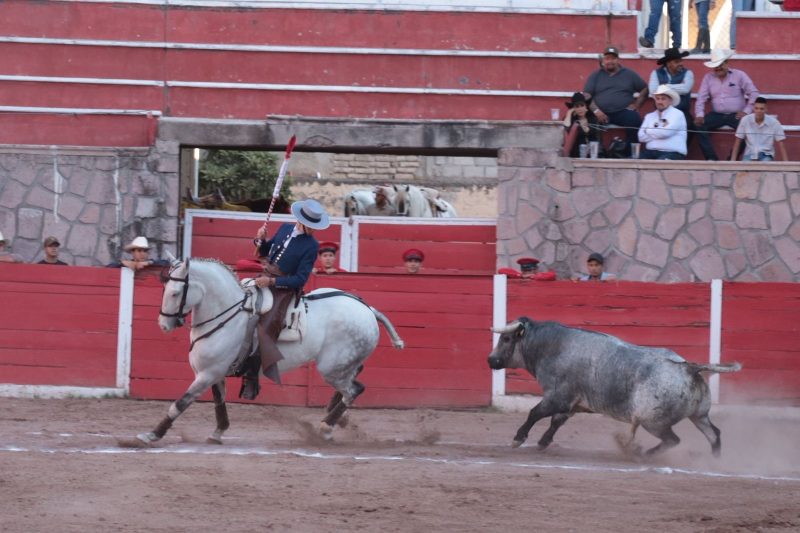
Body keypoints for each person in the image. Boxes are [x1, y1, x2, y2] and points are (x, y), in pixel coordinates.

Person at [239, 198, 330, 400]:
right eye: (311, 225)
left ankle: (252, 377)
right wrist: (260, 240)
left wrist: (271, 281)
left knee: (266, 326)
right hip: (264, 276)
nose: (313, 230)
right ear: (301, 221)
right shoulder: (284, 228)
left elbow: (300, 279)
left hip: (283, 288)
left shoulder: (311, 246)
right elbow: (265, 251)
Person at [694, 49, 759, 161]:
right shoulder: (708, 77)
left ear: (727, 63)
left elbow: (753, 93)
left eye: (720, 65)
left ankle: (731, 158)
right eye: (716, 66)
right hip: (716, 114)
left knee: (747, 128)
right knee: (698, 126)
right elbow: (701, 98)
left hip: (736, 115)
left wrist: (746, 111)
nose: (718, 68)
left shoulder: (739, 75)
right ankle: (711, 158)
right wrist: (699, 114)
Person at [583, 46, 648, 156]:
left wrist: (637, 105)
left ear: (618, 60)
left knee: (634, 118)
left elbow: (645, 89)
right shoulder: (596, 75)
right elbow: (586, 94)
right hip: (601, 113)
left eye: (613, 58)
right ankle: (597, 152)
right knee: (589, 121)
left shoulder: (629, 74)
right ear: (603, 60)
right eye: (607, 58)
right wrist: (596, 111)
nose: (610, 61)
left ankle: (629, 153)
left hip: (622, 112)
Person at [638, 85, 688, 160]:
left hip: (672, 153)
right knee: (630, 161)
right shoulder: (649, 116)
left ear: (670, 101)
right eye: (657, 99)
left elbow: (665, 133)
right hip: (650, 152)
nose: (659, 102)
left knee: (658, 165)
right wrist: (659, 131)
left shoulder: (678, 114)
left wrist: (647, 130)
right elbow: (641, 137)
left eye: (663, 99)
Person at [648, 48, 694, 129]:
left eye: (680, 61)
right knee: (654, 127)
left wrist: (665, 87)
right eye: (677, 62)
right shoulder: (655, 73)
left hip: (681, 111)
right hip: (661, 112)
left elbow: (685, 89)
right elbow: (653, 91)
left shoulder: (688, 73)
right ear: (668, 63)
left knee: (689, 125)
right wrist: (677, 87)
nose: (680, 63)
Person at [731, 97, 788, 161]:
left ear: (766, 109)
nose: (759, 111)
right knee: (743, 170)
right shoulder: (745, 120)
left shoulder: (774, 122)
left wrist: (786, 163)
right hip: (749, 154)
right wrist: (732, 161)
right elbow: (738, 141)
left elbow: (781, 143)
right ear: (753, 108)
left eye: (761, 109)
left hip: (766, 155)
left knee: (765, 168)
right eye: (756, 108)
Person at [561, 92, 600, 158]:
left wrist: (587, 129)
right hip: (576, 154)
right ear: (574, 109)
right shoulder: (572, 119)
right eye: (577, 106)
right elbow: (566, 127)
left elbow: (595, 135)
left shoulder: (592, 118)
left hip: (592, 154)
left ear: (586, 107)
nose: (580, 109)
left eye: (582, 105)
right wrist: (569, 112)